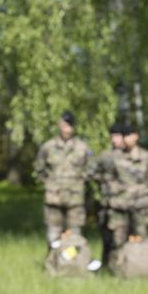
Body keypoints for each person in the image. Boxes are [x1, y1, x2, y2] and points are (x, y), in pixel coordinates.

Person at [35, 111, 92, 270]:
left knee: (74, 234)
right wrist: (51, 183)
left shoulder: (82, 147)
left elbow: (90, 170)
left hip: (75, 199)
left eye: (70, 125)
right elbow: (40, 169)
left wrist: (78, 183)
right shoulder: (48, 147)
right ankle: (53, 264)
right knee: (53, 234)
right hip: (53, 198)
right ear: (59, 126)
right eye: (64, 125)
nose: (67, 129)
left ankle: (72, 265)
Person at [102, 124, 148, 273]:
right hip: (119, 206)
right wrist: (117, 191)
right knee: (117, 241)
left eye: (129, 135)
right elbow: (107, 178)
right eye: (124, 136)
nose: (126, 139)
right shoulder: (113, 157)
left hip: (141, 206)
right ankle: (116, 271)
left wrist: (140, 192)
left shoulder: (145, 157)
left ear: (136, 136)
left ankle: (141, 270)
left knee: (141, 238)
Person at [89, 122, 125, 270]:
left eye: (118, 136)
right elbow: (92, 172)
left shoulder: (134, 155)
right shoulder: (105, 156)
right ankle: (106, 266)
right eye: (113, 136)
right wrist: (104, 183)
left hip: (128, 204)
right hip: (108, 203)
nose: (115, 139)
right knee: (107, 237)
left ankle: (122, 265)